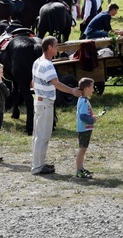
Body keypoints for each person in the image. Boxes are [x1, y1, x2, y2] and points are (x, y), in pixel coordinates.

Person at [31, 36, 82, 175]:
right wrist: (72, 91)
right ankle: (38, 167)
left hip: (39, 101)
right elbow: (57, 84)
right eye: (56, 46)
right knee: (43, 136)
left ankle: (38, 163)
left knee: (39, 135)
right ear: (49, 48)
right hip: (45, 103)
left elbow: (33, 82)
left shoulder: (37, 62)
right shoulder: (47, 65)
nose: (58, 48)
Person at [75, 77, 98, 179]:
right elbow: (82, 116)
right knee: (82, 150)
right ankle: (79, 171)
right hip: (84, 129)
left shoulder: (82, 100)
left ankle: (81, 168)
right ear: (86, 89)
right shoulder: (84, 101)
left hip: (85, 129)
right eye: (92, 87)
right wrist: (92, 120)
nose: (93, 89)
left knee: (83, 149)